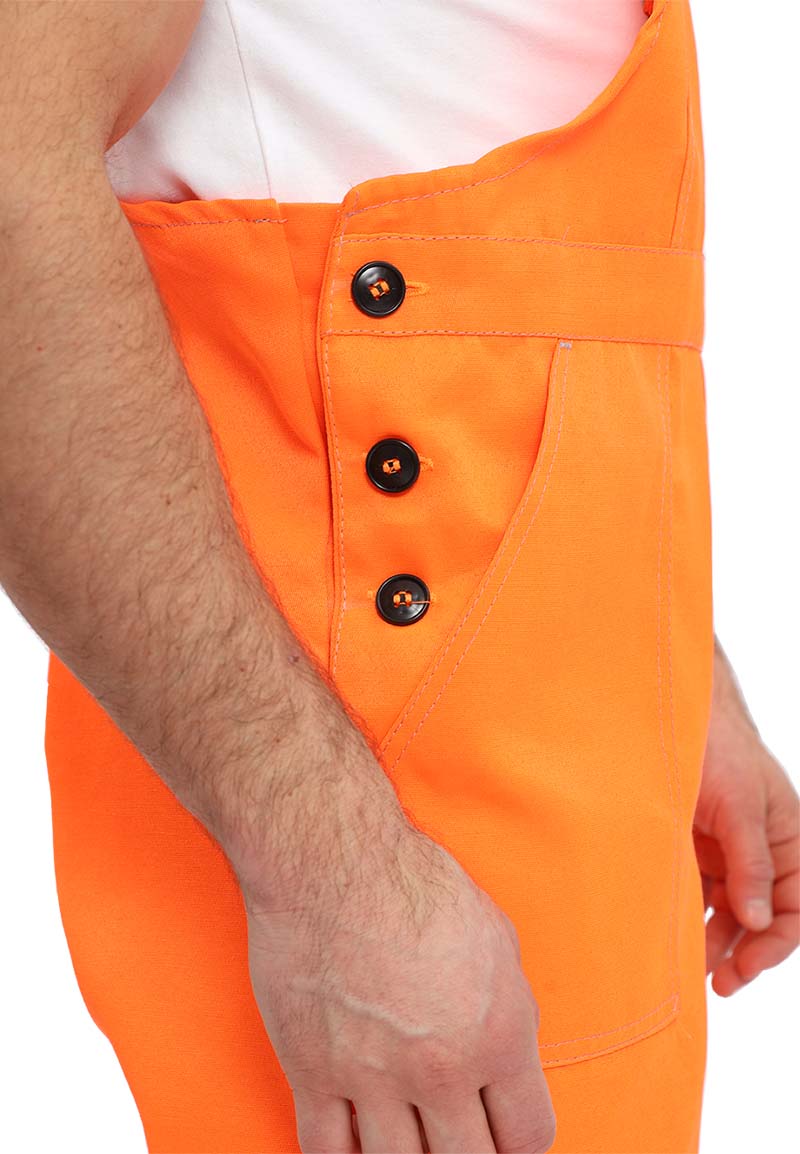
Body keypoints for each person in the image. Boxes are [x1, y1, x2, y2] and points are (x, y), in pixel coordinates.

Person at [0, 2, 797, 1152]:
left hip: (546, 825)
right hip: (386, 855)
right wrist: (334, 875)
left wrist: (661, 651)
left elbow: (525, 282)